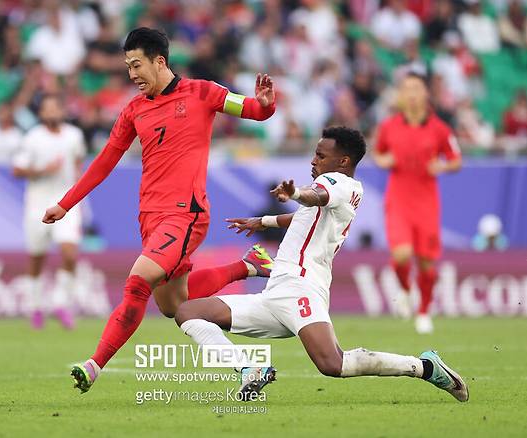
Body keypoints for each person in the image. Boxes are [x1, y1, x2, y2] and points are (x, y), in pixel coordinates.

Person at [41, 27, 276, 393]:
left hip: (186, 214)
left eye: (136, 65)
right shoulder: (134, 110)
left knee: (138, 282)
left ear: (159, 61)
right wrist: (65, 204)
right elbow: (105, 161)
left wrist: (265, 104)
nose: (132, 74)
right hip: (151, 217)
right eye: (128, 67)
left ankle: (94, 364)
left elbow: (252, 110)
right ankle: (249, 266)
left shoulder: (203, 92)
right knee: (174, 306)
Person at [175, 126, 468, 403]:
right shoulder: (349, 189)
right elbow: (307, 214)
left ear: (342, 161)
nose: (313, 161)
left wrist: (296, 194)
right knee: (189, 311)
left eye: (320, 155)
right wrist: (264, 221)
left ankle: (424, 367)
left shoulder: (333, 182)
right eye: (315, 154)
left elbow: (316, 197)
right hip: (277, 292)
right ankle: (248, 369)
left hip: (300, 287)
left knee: (332, 363)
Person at [372, 72, 462, 334]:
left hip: (426, 201)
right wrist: (383, 160)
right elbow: (378, 153)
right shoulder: (389, 126)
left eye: (417, 89)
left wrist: (442, 166)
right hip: (398, 198)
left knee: (425, 261)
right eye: (407, 89)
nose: (412, 94)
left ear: (425, 94)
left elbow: (456, 159)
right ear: (401, 95)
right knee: (401, 255)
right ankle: (405, 289)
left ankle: (423, 311)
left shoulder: (440, 129)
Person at [13, 94, 85, 330]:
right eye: (48, 109)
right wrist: (44, 170)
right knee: (36, 258)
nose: (52, 112)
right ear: (41, 113)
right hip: (37, 204)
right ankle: (35, 307)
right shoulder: (33, 138)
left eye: (56, 107)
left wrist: (79, 189)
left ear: (62, 111)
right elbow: (17, 169)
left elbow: (78, 164)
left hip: (66, 203)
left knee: (70, 253)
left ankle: (60, 303)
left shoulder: (74, 136)